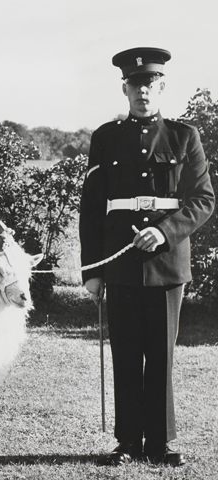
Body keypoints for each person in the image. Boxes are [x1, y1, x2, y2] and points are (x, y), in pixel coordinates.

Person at [79, 47, 214, 467]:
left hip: (166, 264)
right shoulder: (106, 138)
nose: (143, 92)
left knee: (160, 354)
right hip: (119, 265)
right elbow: (92, 207)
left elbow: (203, 199)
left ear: (162, 88)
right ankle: (127, 443)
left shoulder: (183, 136)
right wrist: (92, 270)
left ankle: (159, 444)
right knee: (125, 352)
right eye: (136, 85)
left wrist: (164, 230)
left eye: (151, 85)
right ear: (125, 88)